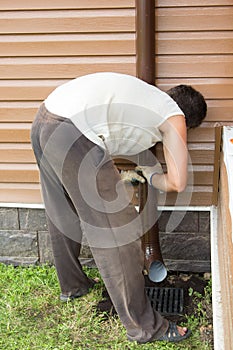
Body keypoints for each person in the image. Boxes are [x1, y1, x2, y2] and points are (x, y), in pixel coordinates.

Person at [30, 72, 207, 344]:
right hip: (72, 131)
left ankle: (73, 286)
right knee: (117, 234)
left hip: (45, 118)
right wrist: (151, 177)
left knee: (61, 210)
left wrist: (130, 174)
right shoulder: (174, 115)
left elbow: (105, 135)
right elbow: (177, 182)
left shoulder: (148, 100)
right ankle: (145, 327)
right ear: (189, 121)